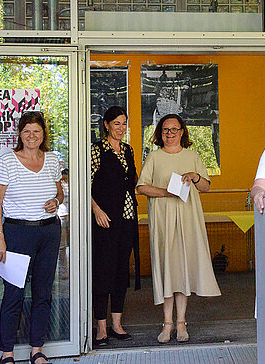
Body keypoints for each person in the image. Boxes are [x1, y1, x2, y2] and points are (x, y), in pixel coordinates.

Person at [136, 113, 221, 343]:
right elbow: (141, 187)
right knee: (167, 268)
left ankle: (181, 323)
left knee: (182, 269)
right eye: (165, 130)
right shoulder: (153, 157)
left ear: (182, 132)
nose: (170, 133)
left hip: (187, 219)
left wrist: (194, 177)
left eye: (174, 129)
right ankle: (167, 324)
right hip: (163, 220)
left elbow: (206, 187)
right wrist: (166, 192)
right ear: (159, 133)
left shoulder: (192, 155)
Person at [0, 111, 63, 364]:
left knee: (43, 292)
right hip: (17, 232)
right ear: (20, 134)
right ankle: (7, 353)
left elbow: (59, 194)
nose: (32, 136)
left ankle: (37, 350)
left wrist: (56, 201)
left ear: (44, 135)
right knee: (14, 293)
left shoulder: (53, 159)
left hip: (49, 231)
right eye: (27, 131)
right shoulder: (8, 161)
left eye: (37, 131)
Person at [91, 106, 140, 346]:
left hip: (127, 218)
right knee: (103, 271)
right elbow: (84, 184)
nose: (121, 128)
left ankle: (117, 324)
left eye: (124, 123)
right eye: (116, 123)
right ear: (107, 125)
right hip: (105, 220)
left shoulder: (129, 150)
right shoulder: (97, 150)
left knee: (121, 271)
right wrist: (96, 210)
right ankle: (100, 327)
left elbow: (134, 182)